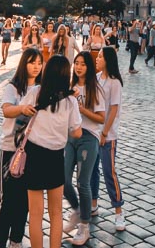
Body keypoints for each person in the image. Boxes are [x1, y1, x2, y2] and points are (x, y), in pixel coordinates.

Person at [23, 54, 82, 248]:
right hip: (56, 157)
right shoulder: (70, 102)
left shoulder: (35, 92)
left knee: (36, 214)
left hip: (34, 155)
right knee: (56, 213)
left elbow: (22, 112)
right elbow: (77, 132)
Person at [0, 48, 42, 248]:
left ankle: (16, 240)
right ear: (24, 64)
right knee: (7, 200)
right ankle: (0, 243)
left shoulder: (41, 89)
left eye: (39, 63)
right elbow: (6, 110)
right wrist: (22, 108)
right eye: (32, 62)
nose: (36, 67)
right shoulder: (13, 88)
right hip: (10, 148)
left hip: (31, 150)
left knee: (24, 200)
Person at [64, 51, 106, 245]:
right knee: (62, 179)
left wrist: (81, 109)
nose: (79, 67)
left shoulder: (95, 89)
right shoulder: (70, 87)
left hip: (88, 137)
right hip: (71, 136)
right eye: (76, 63)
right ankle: (77, 210)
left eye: (83, 64)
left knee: (83, 182)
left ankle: (84, 225)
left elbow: (101, 118)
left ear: (89, 67)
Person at [93, 46, 126, 231]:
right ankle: (93, 204)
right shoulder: (96, 78)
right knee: (91, 171)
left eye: (100, 56)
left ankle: (119, 211)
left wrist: (105, 132)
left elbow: (114, 109)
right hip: (93, 131)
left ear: (108, 60)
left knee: (109, 172)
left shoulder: (115, 82)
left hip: (108, 134)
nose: (96, 59)